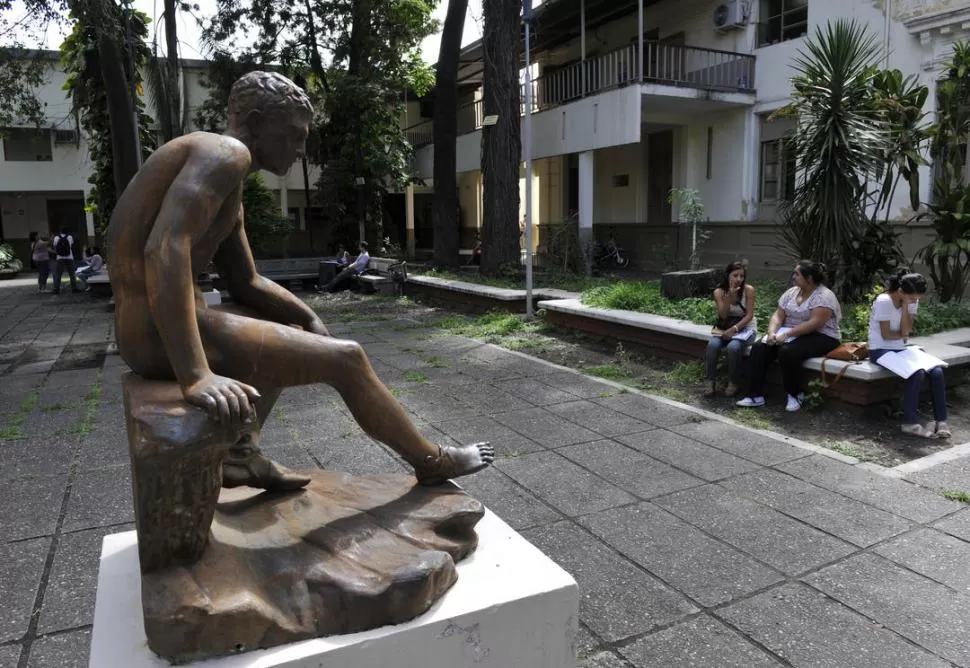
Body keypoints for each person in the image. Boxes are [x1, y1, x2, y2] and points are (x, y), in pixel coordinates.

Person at [106, 70, 492, 492]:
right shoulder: (225, 153)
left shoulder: (227, 180)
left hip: (147, 328)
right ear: (254, 122)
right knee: (346, 358)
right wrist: (196, 374)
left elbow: (247, 281)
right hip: (153, 334)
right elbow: (165, 249)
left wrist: (307, 318)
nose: (301, 149)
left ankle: (240, 454)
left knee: (288, 330)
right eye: (293, 135)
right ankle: (430, 460)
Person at [737, 260, 842, 412]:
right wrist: (772, 333)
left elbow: (814, 324)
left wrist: (787, 334)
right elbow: (778, 316)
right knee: (760, 347)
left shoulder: (824, 296)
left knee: (787, 351)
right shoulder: (791, 292)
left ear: (809, 278)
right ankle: (755, 395)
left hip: (822, 336)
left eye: (797, 274)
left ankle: (795, 394)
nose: (793, 277)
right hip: (790, 334)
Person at [868, 269, 950, 439]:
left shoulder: (910, 300)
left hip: (902, 349)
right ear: (900, 291)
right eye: (912, 298)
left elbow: (906, 330)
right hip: (880, 350)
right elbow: (886, 334)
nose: (915, 301)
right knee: (917, 373)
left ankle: (941, 420)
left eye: (917, 299)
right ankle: (909, 423)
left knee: (937, 371)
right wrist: (903, 335)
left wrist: (906, 305)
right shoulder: (884, 301)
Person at [704, 261, 756, 397]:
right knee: (712, 345)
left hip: (745, 328)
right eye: (735, 275)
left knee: (733, 347)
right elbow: (723, 315)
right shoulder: (719, 292)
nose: (739, 279)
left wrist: (734, 329)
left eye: (741, 276)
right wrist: (729, 297)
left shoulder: (749, 290)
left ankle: (733, 382)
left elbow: (749, 315)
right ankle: (710, 381)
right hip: (724, 327)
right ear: (728, 275)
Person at [50, 227, 79, 294]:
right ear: (67, 232)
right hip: (69, 257)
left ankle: (56, 289)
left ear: (60, 232)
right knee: (72, 274)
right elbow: (71, 245)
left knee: (58, 274)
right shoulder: (70, 237)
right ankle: (74, 288)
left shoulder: (56, 238)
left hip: (60, 258)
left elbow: (55, 247)